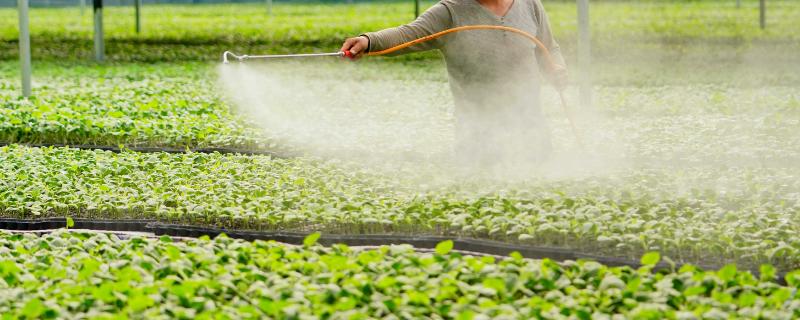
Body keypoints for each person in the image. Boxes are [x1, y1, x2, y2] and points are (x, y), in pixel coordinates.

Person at [341, 0, 568, 168]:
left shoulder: (530, 5)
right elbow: (407, 35)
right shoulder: (450, 12)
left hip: (531, 133)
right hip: (478, 138)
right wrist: (369, 41)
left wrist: (556, 69)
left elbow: (548, 49)